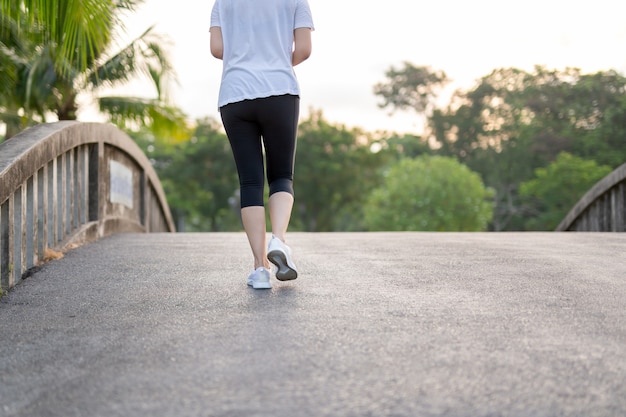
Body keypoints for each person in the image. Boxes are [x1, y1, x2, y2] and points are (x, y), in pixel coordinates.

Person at [209, 0, 314, 289]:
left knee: (250, 183)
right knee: (281, 176)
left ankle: (259, 270)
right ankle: (278, 240)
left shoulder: (223, 2)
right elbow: (303, 49)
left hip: (235, 94)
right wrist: (275, 61)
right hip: (279, 91)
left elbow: (217, 49)